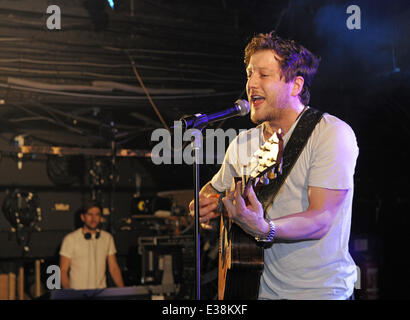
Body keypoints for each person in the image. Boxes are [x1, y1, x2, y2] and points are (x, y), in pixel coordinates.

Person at [189, 31, 359, 300]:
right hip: (255, 290)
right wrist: (208, 204)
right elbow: (214, 190)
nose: (251, 84)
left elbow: (321, 219)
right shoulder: (242, 144)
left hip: (319, 293)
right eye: (249, 74)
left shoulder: (331, 133)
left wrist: (263, 228)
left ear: (295, 85)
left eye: (263, 75)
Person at [60, 201, 124, 290]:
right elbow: (62, 271)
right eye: (90, 214)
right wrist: (70, 293)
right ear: (83, 217)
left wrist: (123, 291)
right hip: (78, 294)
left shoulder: (107, 238)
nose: (94, 218)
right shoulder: (70, 239)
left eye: (97, 215)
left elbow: (113, 268)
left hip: (101, 294)